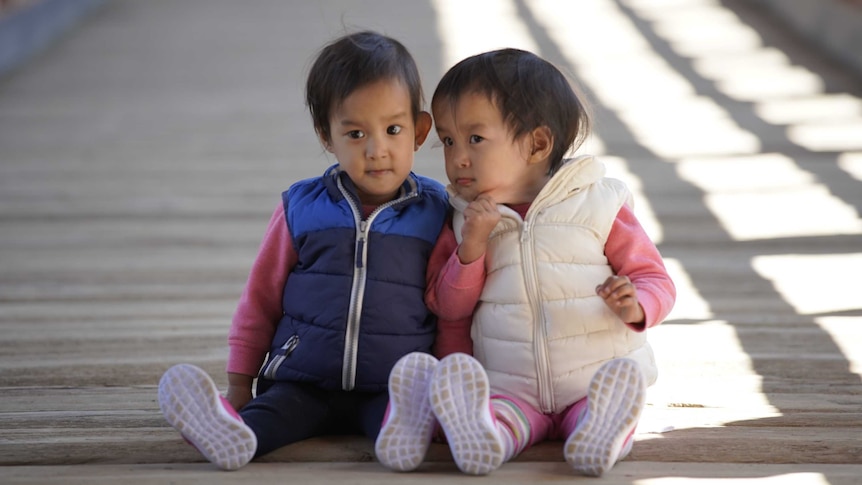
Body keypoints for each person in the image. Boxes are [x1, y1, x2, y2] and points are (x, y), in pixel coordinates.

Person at [157, 30, 449, 471]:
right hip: (304, 380)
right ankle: (230, 433)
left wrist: (446, 377)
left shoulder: (437, 212)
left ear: (419, 130)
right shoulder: (302, 208)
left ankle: (403, 435)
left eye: (393, 129)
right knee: (272, 415)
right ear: (326, 136)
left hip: (390, 382)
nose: (376, 150)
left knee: (397, 411)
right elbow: (261, 299)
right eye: (354, 133)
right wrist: (239, 385)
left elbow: (450, 304)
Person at [375, 48, 676, 477]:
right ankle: (482, 437)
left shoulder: (597, 204)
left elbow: (654, 278)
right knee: (498, 419)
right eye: (448, 140)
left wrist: (638, 304)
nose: (458, 156)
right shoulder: (462, 218)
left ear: (537, 144)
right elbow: (448, 307)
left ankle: (601, 430)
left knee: (600, 405)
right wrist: (472, 249)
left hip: (592, 378)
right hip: (509, 386)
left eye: (475, 139)